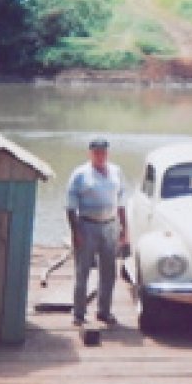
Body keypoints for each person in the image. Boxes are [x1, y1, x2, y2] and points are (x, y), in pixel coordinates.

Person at [66, 137, 128, 327]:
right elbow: (70, 207)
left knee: (109, 272)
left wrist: (124, 229)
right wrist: (75, 232)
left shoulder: (116, 171)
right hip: (86, 225)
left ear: (107, 153)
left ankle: (104, 311)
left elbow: (122, 202)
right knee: (82, 271)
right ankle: (79, 314)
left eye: (104, 152)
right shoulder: (80, 174)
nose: (101, 155)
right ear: (90, 153)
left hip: (110, 225)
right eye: (97, 152)